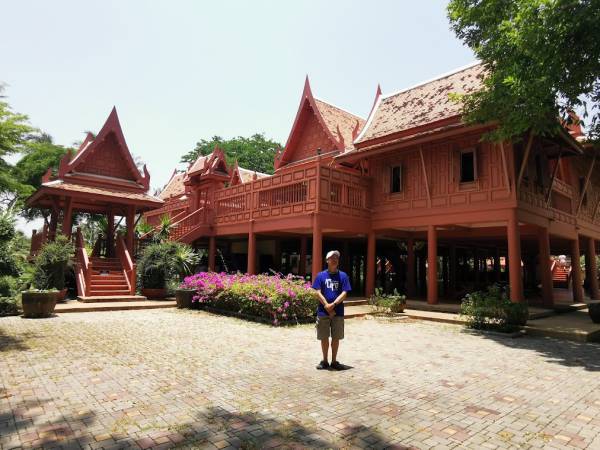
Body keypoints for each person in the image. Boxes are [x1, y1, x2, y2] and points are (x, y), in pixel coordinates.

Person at [312, 250, 351, 370]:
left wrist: (333, 304)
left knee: (336, 337)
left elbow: (344, 293)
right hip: (323, 312)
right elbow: (317, 292)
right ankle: (324, 361)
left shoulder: (343, 276)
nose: (335, 260)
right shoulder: (320, 276)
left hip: (337, 312)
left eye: (336, 258)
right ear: (327, 260)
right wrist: (326, 305)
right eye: (332, 258)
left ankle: (334, 361)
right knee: (324, 337)